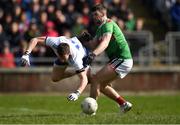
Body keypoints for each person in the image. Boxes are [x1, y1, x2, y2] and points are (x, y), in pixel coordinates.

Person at [83, 4, 133, 113]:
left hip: (122, 59)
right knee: (101, 85)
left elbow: (105, 43)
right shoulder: (100, 28)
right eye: (93, 15)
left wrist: (93, 54)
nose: (94, 17)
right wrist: (85, 40)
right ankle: (123, 104)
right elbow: (93, 44)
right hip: (118, 60)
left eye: (96, 14)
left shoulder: (108, 24)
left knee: (95, 79)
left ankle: (90, 110)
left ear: (103, 13)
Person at [21, 32, 92, 101]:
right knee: (55, 78)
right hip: (73, 46)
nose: (61, 59)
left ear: (69, 53)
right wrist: (26, 54)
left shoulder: (76, 59)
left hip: (84, 57)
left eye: (63, 58)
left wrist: (77, 93)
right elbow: (35, 39)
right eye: (60, 56)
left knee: (89, 79)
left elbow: (84, 79)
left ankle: (84, 72)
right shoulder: (55, 42)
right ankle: (76, 72)